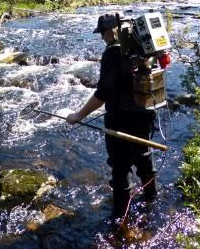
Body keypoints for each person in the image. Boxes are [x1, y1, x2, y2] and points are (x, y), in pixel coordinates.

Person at [66, 12, 157, 219]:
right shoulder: (141, 49)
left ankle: (119, 222)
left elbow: (103, 94)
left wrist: (78, 115)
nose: (101, 38)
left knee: (120, 169)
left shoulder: (112, 54)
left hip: (120, 121)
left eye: (102, 33)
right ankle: (152, 202)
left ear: (109, 31)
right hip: (144, 116)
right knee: (144, 159)